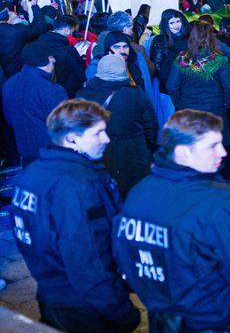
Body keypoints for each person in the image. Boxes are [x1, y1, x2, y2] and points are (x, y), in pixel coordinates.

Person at [112, 110, 230, 333]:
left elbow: (124, 258)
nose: (223, 152)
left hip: (167, 328)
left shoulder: (140, 193)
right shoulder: (220, 206)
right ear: (183, 153)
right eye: (212, 146)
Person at [10, 99, 139, 333]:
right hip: (89, 312)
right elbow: (89, 261)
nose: (107, 139)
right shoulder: (79, 186)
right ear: (71, 139)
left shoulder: (33, 172)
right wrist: (122, 312)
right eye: (97, 133)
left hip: (52, 298)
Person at [76, 55, 158, 197]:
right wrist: (147, 146)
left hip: (98, 154)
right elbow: (151, 125)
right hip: (134, 155)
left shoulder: (82, 95)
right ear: (122, 71)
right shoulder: (136, 94)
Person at [166, 18, 230, 146]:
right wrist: (227, 105)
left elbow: (171, 86)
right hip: (215, 110)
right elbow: (229, 87)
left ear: (192, 37)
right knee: (214, 149)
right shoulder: (220, 59)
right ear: (211, 37)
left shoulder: (181, 59)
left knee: (192, 147)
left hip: (188, 110)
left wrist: (180, 104)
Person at [3, 41, 67, 166]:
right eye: (51, 56)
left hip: (25, 151)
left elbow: (10, 120)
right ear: (45, 59)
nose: (54, 60)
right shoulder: (53, 89)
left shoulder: (9, 84)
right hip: (53, 154)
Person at [37, 15, 86, 98]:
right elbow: (81, 74)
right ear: (66, 30)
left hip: (43, 89)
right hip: (65, 92)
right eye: (72, 31)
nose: (72, 34)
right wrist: (83, 60)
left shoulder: (40, 41)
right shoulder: (68, 50)